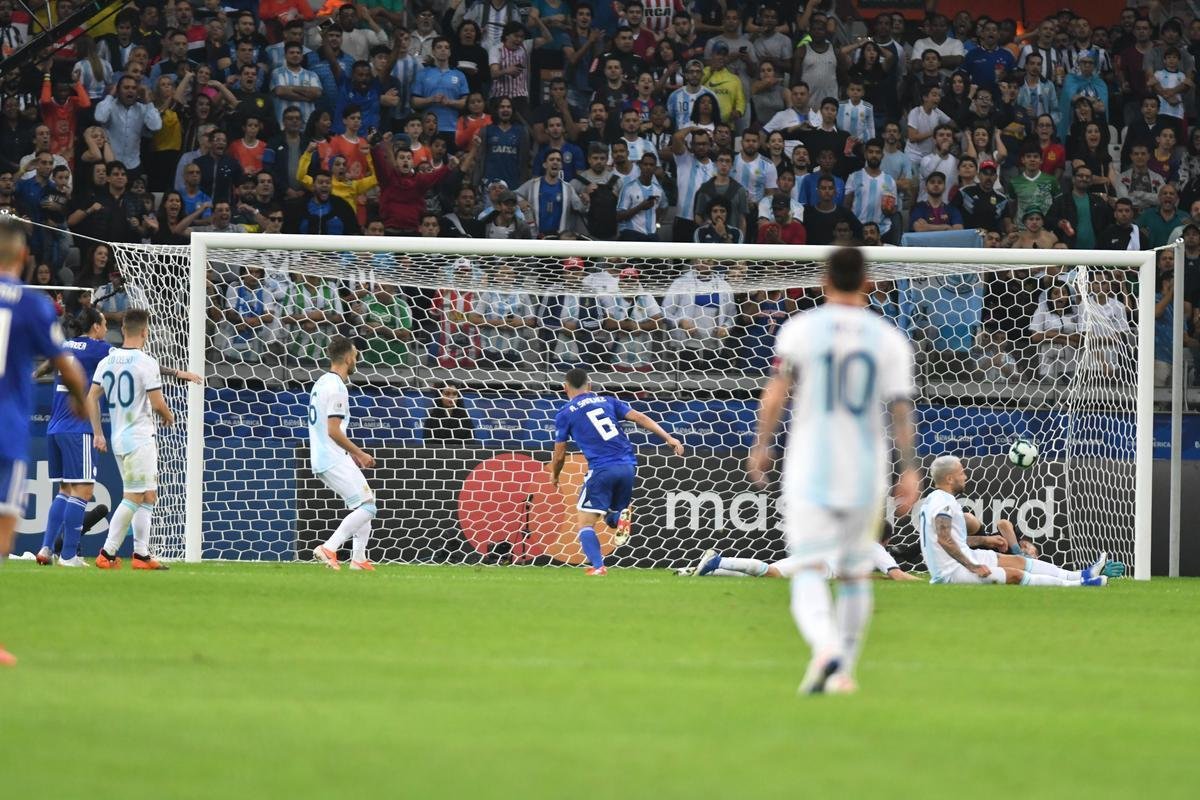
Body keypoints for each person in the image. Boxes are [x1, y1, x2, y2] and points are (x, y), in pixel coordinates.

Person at [746, 247, 919, 695]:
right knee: (855, 574)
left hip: (810, 465)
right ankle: (842, 671)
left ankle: (824, 648)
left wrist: (762, 445)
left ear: (825, 281)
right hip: (865, 468)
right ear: (868, 282)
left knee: (807, 568)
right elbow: (901, 408)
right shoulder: (888, 338)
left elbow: (776, 393)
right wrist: (910, 470)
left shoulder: (800, 328)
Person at [0, 217, 88, 666]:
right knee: (1, 532)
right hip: (6, 431)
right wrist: (80, 399)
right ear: (24, 256)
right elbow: (65, 364)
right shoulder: (33, 306)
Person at [548, 368, 684, 575]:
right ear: (590, 386)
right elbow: (639, 417)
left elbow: (559, 455)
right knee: (611, 519)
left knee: (585, 523)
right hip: (628, 466)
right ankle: (619, 515)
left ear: (564, 387)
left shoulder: (565, 413)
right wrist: (669, 438)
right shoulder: (608, 401)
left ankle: (598, 566)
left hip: (602, 468)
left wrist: (555, 475)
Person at [919, 454, 1108, 586]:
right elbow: (944, 539)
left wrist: (984, 540)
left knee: (1017, 561)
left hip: (964, 557)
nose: (965, 476)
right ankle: (1079, 585)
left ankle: (1081, 575)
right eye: (961, 473)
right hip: (951, 572)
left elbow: (953, 539)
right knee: (1015, 576)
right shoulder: (942, 501)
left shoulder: (937, 500)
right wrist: (973, 566)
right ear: (950, 478)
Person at [88, 308, 173, 570]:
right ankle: (107, 553)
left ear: (123, 330)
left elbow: (91, 397)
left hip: (119, 437)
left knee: (148, 495)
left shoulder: (108, 361)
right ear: (145, 332)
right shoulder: (145, 362)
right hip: (139, 438)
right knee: (135, 496)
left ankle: (141, 554)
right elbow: (157, 403)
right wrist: (169, 416)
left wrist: (98, 433)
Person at [309, 336, 377, 572]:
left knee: (365, 503)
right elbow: (333, 430)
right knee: (368, 508)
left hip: (324, 456)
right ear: (348, 357)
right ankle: (329, 547)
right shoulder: (337, 387)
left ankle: (358, 559)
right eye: (356, 354)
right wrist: (360, 454)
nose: (356, 359)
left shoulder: (321, 383)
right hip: (332, 456)